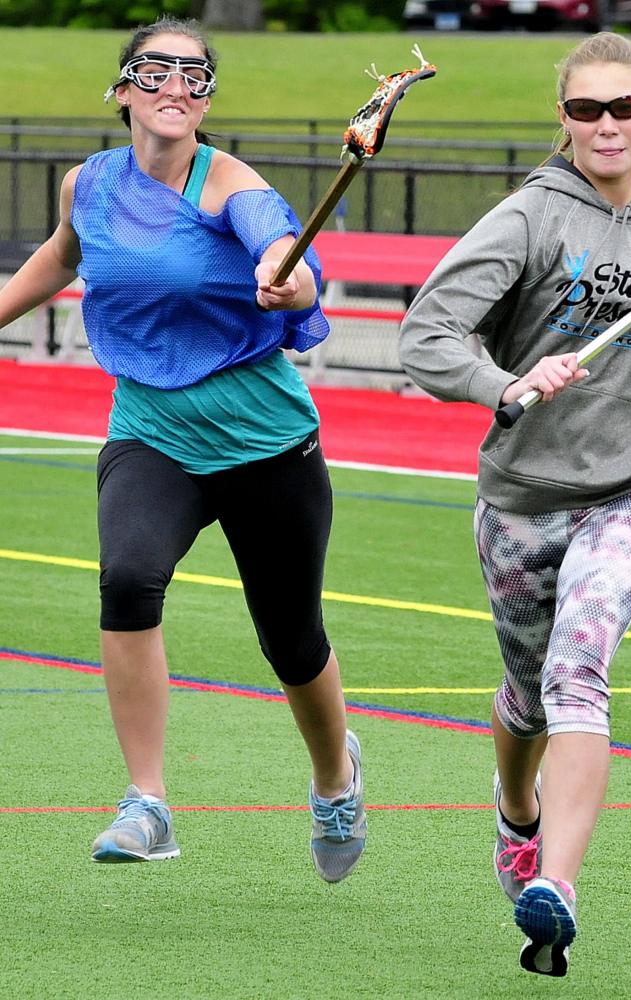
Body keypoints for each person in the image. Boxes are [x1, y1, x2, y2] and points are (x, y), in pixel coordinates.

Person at [399, 32, 631, 976]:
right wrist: (506, 383)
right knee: (526, 695)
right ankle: (515, 815)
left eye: (626, 108)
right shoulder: (525, 220)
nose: (609, 125)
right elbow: (427, 336)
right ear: (563, 119)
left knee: (577, 674)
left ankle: (554, 884)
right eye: (588, 109)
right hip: (520, 498)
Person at [0, 17, 367, 882]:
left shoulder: (232, 186)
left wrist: (289, 279)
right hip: (151, 431)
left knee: (291, 639)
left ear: (207, 99)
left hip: (264, 442)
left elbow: (285, 251)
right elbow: (64, 255)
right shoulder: (86, 184)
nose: (175, 85)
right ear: (122, 89)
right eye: (154, 70)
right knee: (128, 578)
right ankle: (148, 802)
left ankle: (335, 775)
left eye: (194, 76)